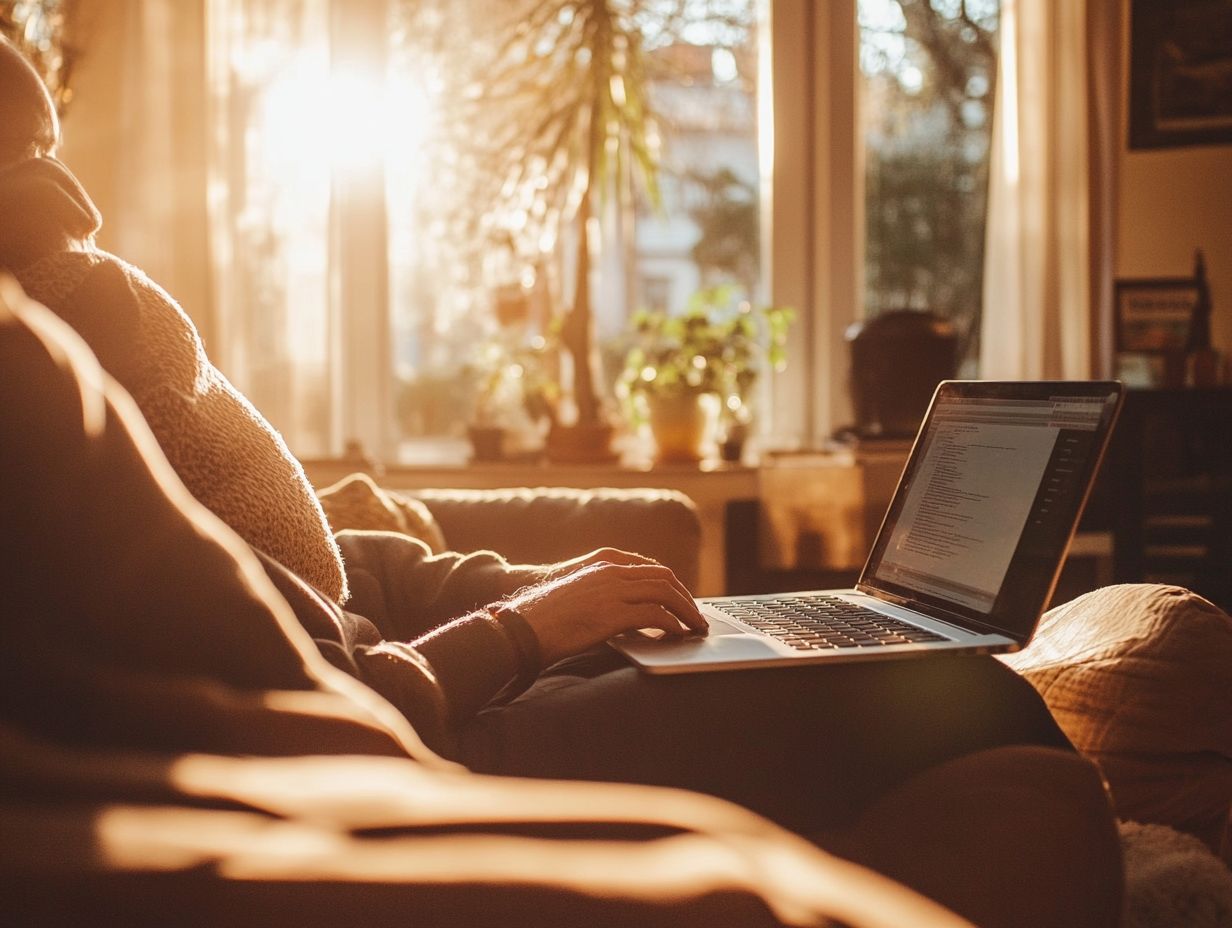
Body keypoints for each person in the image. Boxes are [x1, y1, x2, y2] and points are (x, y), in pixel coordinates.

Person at [0, 37, 1119, 926]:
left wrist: (542, 590)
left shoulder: (97, 350)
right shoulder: (42, 390)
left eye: (57, 148)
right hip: (437, 732)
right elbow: (329, 705)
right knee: (976, 695)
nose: (73, 206)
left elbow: (324, 564)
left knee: (971, 719)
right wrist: (518, 630)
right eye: (18, 160)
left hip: (450, 675)